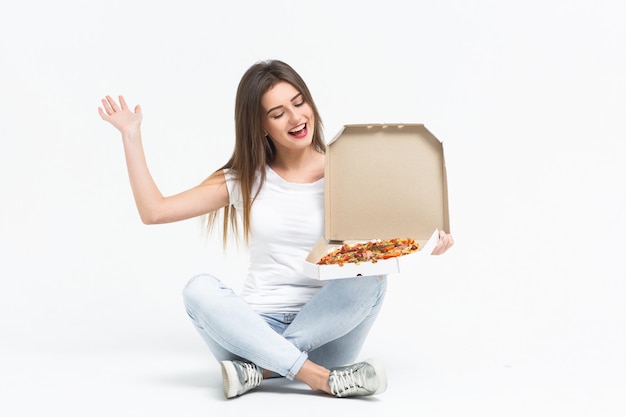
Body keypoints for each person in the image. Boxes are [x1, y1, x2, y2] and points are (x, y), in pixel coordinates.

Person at [98, 59, 454, 399]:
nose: (296, 118)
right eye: (278, 113)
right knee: (198, 290)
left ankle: (261, 371)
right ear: (260, 125)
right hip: (253, 330)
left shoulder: (349, 169)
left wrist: (429, 240)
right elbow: (154, 211)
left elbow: (391, 240)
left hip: (327, 335)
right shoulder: (243, 179)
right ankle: (321, 379)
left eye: (299, 103)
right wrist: (131, 136)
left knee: (372, 277)